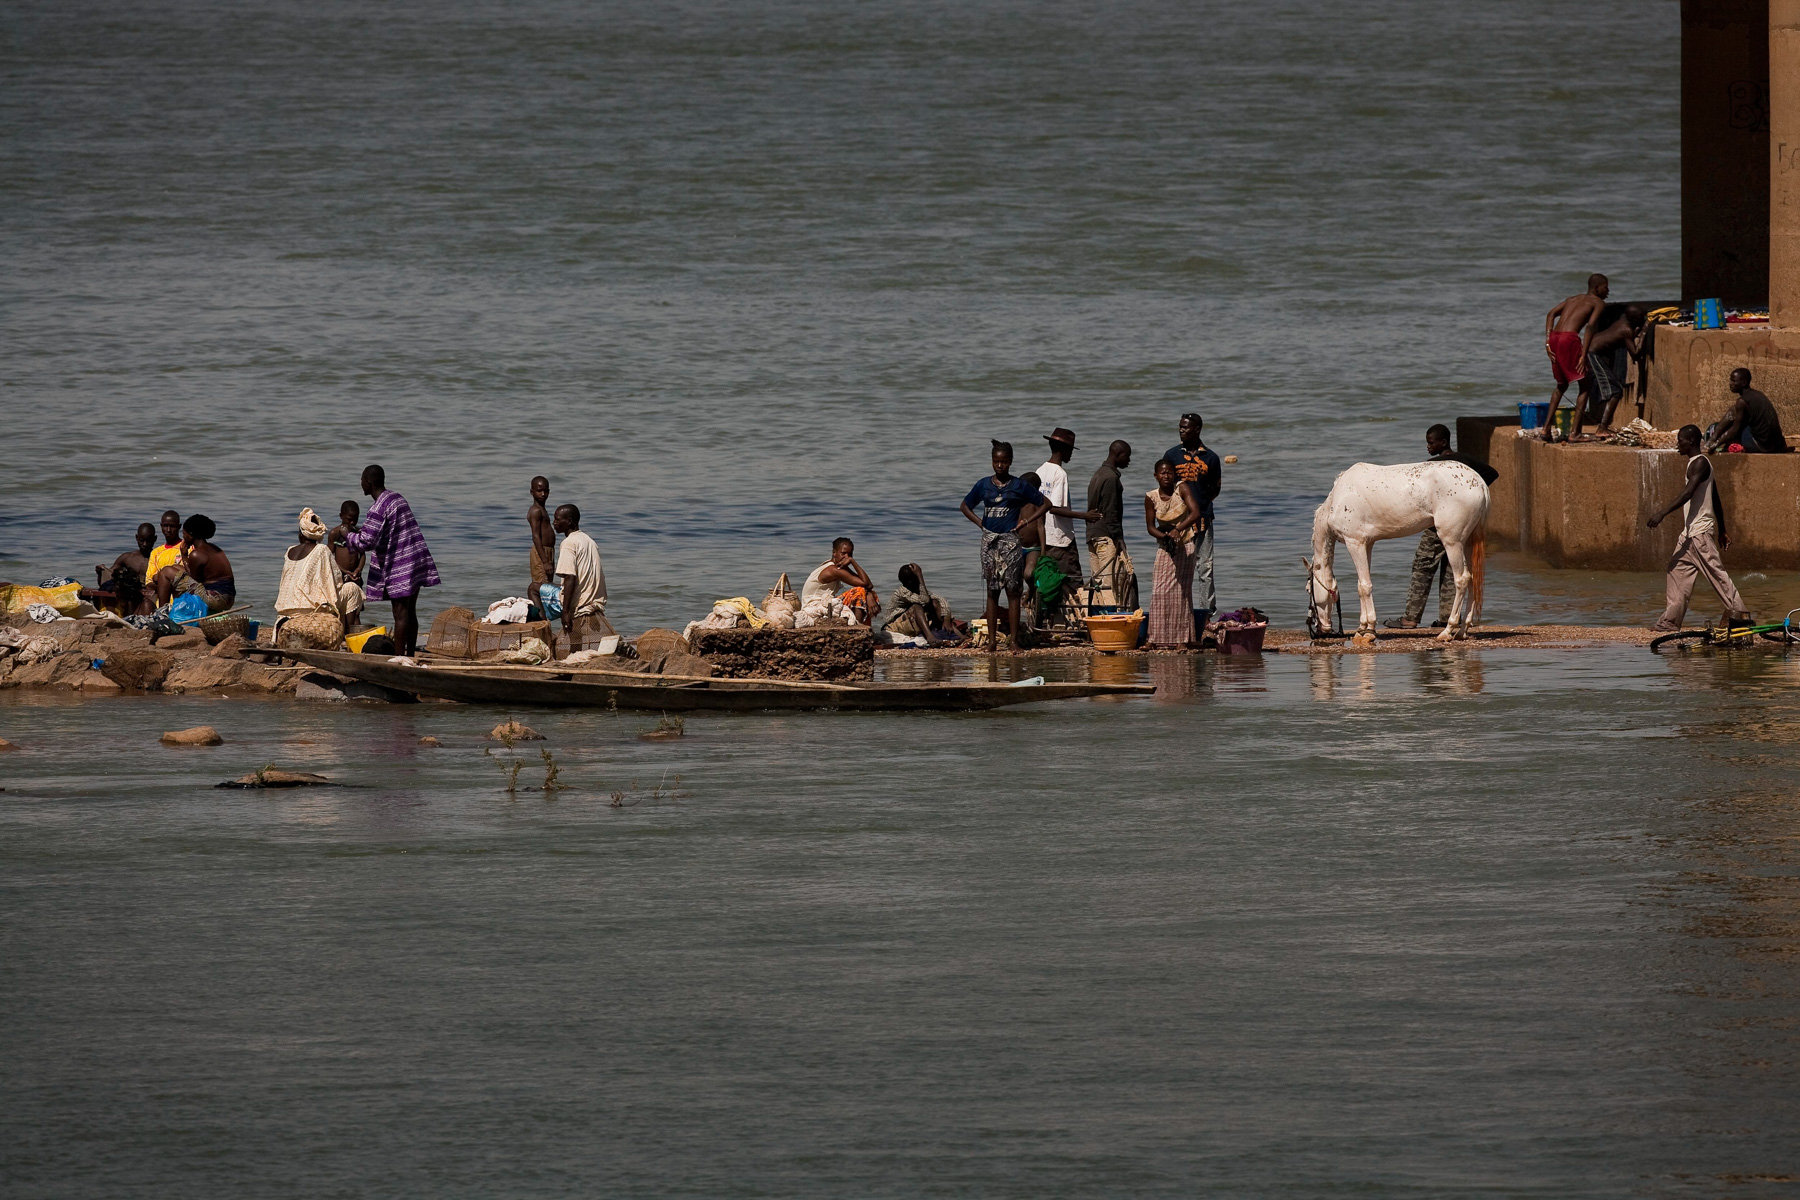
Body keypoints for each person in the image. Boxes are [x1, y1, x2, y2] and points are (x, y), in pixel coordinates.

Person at [1384, 425, 1500, 629]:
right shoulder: (1464, 461)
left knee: (1423, 564)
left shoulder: (1434, 466)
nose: (1428, 447)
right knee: (1450, 567)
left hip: (1439, 523)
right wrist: (1470, 497)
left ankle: (1410, 618)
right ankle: (1447, 617)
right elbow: (1491, 473)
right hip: (1462, 520)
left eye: (1431, 442)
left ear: (1443, 442)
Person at [1648, 424, 1749, 631]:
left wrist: (1662, 513)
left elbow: (1688, 493)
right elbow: (1715, 498)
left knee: (1717, 576)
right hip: (1689, 534)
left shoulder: (1700, 463)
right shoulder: (1697, 463)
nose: (1678, 444)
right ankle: (1669, 622)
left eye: (1680, 441)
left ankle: (1740, 615)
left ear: (1691, 441)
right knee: (1676, 570)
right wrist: (1722, 530)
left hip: (1699, 533)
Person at [341, 464, 440, 656]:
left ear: (369, 483)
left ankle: (399, 658)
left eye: (362, 480)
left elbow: (366, 542)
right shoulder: (396, 498)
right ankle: (410, 656)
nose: (360, 484)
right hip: (415, 558)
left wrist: (347, 535)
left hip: (401, 563)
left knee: (400, 613)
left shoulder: (378, 508)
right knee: (410, 611)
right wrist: (361, 531)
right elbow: (386, 530)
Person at [960, 441, 1049, 653]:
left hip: (1010, 541)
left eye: (1004, 462)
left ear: (1010, 462)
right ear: (992, 461)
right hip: (990, 542)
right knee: (992, 591)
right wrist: (981, 523)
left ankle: (1014, 642)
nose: (999, 465)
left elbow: (1046, 504)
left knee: (1013, 591)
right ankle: (992, 642)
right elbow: (965, 506)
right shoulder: (984, 485)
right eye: (996, 461)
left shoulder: (1018, 485)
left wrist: (1026, 521)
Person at [1032, 428, 1102, 624]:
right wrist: (1084, 515)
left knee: (1050, 583)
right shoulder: (1059, 474)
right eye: (1070, 450)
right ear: (1063, 450)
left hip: (1043, 536)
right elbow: (1054, 508)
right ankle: (1079, 623)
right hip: (1060, 538)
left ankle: (1053, 621)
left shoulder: (1040, 471)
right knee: (1073, 582)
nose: (1071, 454)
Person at [1161, 414, 1222, 622]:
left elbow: (1215, 488)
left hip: (1203, 519)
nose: (1181, 430)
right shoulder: (1171, 455)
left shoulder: (1211, 458)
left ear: (1197, 429)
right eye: (1180, 427)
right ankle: (1178, 611)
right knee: (1177, 568)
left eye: (1185, 427)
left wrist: (1200, 504)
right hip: (1178, 523)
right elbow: (1165, 487)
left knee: (1205, 567)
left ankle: (1206, 614)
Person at [274, 508, 364, 644]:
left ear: (301, 534)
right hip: (311, 611)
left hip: (285, 611)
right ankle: (346, 636)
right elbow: (335, 581)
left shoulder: (290, 551)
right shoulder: (321, 550)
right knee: (352, 589)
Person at [1143, 459, 1203, 648]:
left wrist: (1178, 530)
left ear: (1174, 474)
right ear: (1156, 476)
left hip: (1185, 544)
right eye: (1162, 473)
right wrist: (1165, 537)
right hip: (1166, 546)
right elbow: (1150, 527)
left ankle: (1181, 640)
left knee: (1181, 593)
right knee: (1159, 590)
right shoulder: (1151, 497)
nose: (1166, 476)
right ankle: (1154, 638)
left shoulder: (1181, 488)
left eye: (1169, 472)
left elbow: (1195, 513)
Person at [1542, 274, 1609, 441]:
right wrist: (1583, 355)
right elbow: (1590, 327)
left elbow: (1551, 314)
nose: (1608, 291)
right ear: (1597, 288)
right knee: (1585, 386)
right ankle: (1575, 433)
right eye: (1606, 287)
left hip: (1555, 338)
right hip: (1569, 339)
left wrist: (1547, 342)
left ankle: (1545, 429)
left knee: (1561, 385)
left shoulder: (1572, 299)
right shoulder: (1598, 303)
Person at [1575, 304, 1647, 439]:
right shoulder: (1626, 329)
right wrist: (1643, 333)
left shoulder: (1621, 322)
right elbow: (1635, 354)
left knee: (1591, 390)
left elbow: (1623, 337)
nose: (1643, 319)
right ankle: (1602, 428)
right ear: (1633, 319)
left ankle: (1578, 430)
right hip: (1592, 356)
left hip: (1589, 353)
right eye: (1641, 317)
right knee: (1616, 391)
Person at [540, 503, 608, 638]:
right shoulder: (589, 540)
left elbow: (570, 577)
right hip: (593, 598)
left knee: (534, 589)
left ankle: (544, 632)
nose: (554, 523)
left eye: (557, 519)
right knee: (555, 586)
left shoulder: (568, 543)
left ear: (569, 521)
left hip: (580, 601)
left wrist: (565, 612)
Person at [1086, 440, 1137, 610]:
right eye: (1127, 456)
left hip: (1093, 535)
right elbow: (1111, 512)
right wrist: (1119, 539)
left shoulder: (1098, 474)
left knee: (1098, 584)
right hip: (1106, 536)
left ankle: (1099, 618)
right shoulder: (1111, 478)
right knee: (1110, 584)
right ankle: (1111, 619)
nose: (1129, 460)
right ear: (1118, 455)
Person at [152, 514, 235, 612]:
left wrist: (184, 556)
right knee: (175, 567)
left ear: (191, 535)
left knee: (166, 572)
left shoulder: (196, 554)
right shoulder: (213, 547)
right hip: (228, 598)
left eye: (184, 534)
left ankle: (162, 612)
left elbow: (194, 578)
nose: (183, 538)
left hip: (216, 599)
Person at [1707, 368, 1791, 454]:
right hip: (1774, 445)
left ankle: (1712, 440)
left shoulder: (1742, 401)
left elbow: (1734, 430)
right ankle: (1713, 438)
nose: (1730, 383)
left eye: (1733, 381)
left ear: (1744, 383)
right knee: (1736, 412)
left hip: (1760, 445)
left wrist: (1717, 443)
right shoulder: (1757, 394)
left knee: (1734, 413)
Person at [801, 538, 880, 625]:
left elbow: (866, 584)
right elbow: (867, 584)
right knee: (859, 592)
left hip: (824, 603)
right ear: (834, 553)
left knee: (867, 593)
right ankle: (858, 627)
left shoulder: (837, 566)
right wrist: (852, 561)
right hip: (814, 606)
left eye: (850, 554)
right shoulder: (833, 570)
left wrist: (869, 594)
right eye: (843, 553)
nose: (847, 557)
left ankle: (862, 625)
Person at [91, 522, 157, 615]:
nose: (145, 544)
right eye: (142, 541)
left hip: (151, 597)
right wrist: (100, 573)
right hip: (129, 597)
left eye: (148, 541)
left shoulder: (158, 558)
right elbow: (108, 578)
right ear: (136, 538)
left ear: (154, 539)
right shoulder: (127, 558)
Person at [879, 564, 956, 640]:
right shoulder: (901, 592)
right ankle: (930, 637)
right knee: (916, 607)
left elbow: (941, 599)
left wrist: (946, 619)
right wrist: (920, 576)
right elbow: (925, 600)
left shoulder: (915, 589)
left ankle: (953, 632)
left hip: (905, 622)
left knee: (934, 602)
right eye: (917, 578)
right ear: (911, 581)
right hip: (892, 626)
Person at [526, 476, 556, 603]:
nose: (543, 494)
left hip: (548, 551)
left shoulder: (543, 509)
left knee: (548, 585)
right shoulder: (536, 511)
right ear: (532, 492)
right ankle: (540, 613)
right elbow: (536, 536)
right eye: (539, 491)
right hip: (541, 552)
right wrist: (545, 561)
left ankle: (545, 613)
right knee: (542, 587)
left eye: (546, 491)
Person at [329, 501, 365, 584]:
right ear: (341, 516)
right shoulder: (335, 533)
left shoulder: (358, 533)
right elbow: (329, 557)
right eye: (349, 519)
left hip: (356, 576)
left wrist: (359, 569)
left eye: (355, 519)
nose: (352, 522)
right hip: (340, 575)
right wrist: (344, 571)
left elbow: (362, 555)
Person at [144, 510, 184, 586]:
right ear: (161, 526)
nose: (168, 530)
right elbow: (149, 583)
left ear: (179, 527)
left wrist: (160, 578)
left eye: (172, 526)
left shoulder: (187, 548)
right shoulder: (156, 553)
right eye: (165, 526)